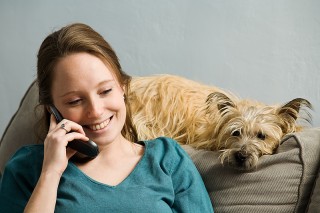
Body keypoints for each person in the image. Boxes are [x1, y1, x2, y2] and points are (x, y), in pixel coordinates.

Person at [0, 23, 214, 213]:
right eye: (75, 101)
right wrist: (50, 173)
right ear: (52, 110)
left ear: (122, 87)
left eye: (105, 91)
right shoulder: (27, 168)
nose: (96, 110)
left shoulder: (167, 159)